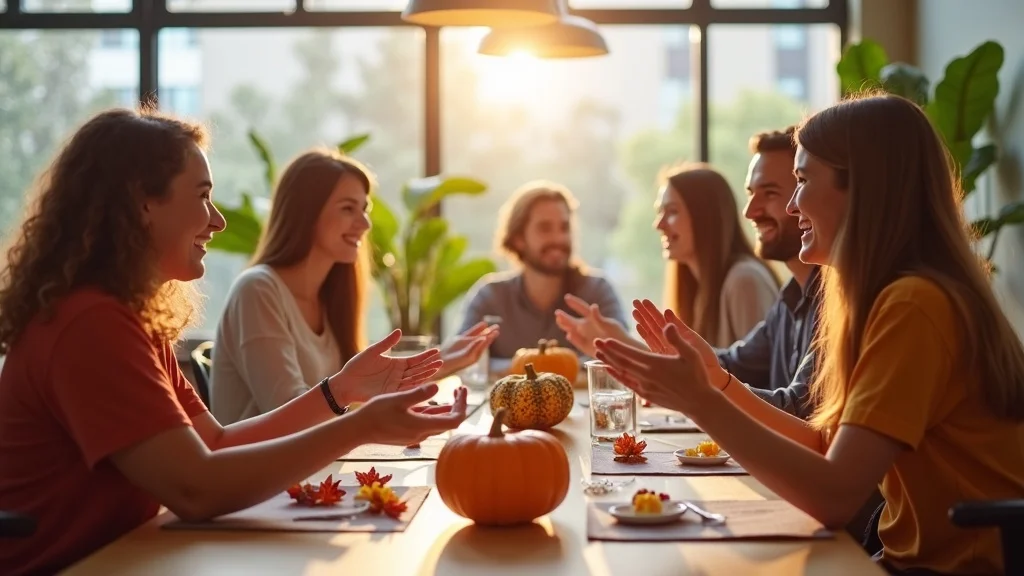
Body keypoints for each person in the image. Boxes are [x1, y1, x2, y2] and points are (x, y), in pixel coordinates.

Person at [0, 109, 469, 576]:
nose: (218, 221)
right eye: (203, 196)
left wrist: (340, 392)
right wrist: (359, 426)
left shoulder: (129, 321)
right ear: (141, 202)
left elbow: (216, 444)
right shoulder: (90, 325)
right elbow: (196, 489)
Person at [594, 94, 1024, 575]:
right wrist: (718, 382)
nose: (793, 204)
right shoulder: (892, 297)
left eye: (801, 181)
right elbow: (824, 445)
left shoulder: (915, 304)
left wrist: (701, 402)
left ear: (862, 190)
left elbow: (834, 495)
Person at [211, 149, 497, 424]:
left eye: (365, 209)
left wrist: (440, 362)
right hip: (264, 472)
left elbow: (355, 394)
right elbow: (288, 411)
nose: (364, 223)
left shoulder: (329, 296)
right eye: (348, 208)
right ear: (305, 213)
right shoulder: (258, 290)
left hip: (315, 466)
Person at [556, 162, 780, 355]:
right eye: (659, 212)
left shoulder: (744, 280)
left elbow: (751, 381)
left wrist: (621, 343)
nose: (659, 224)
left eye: (671, 212)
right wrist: (618, 344)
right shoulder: (697, 287)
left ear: (706, 217)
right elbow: (693, 372)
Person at [457, 180, 624, 364]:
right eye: (545, 228)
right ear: (518, 238)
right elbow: (463, 361)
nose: (558, 238)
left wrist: (515, 368)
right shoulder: (490, 297)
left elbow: (623, 361)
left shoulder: (597, 293)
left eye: (564, 227)